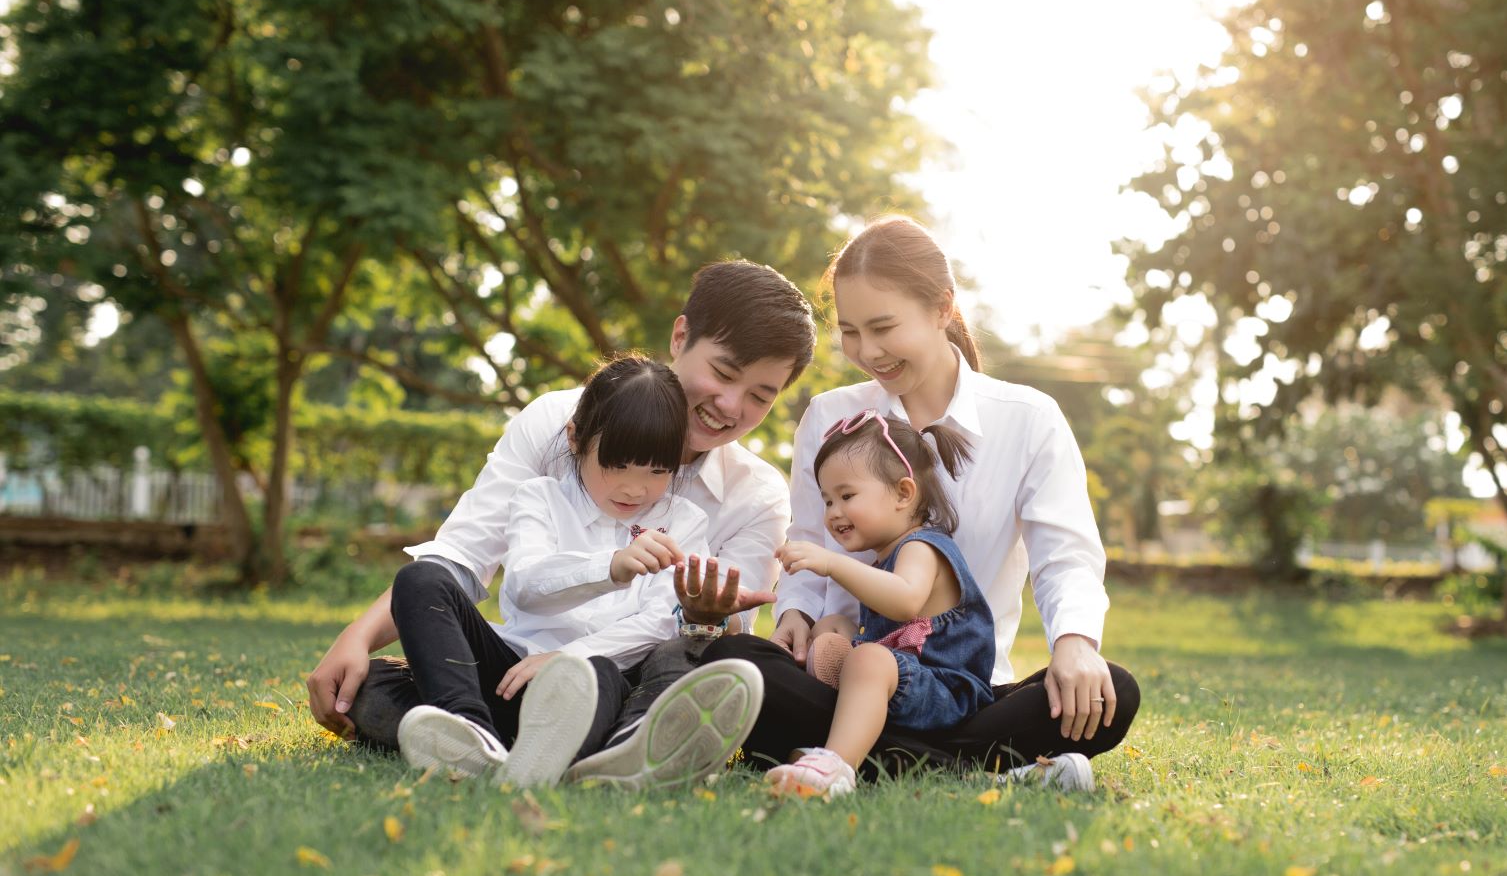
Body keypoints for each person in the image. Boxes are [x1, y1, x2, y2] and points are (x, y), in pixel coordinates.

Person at [306, 261, 816, 790]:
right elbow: (464, 553)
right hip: (516, 668)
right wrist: (358, 636)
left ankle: (612, 744)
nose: (730, 406)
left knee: (673, 654)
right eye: (725, 373)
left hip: (626, 678)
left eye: (761, 395)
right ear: (681, 335)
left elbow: (712, 632)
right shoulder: (559, 423)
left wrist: (582, 655)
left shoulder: (754, 494)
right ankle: (499, 740)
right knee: (373, 687)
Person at [700, 216, 1141, 787]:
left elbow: (1066, 558)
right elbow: (808, 539)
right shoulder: (831, 416)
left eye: (884, 326)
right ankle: (974, 773)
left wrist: (1075, 646)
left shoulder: (1028, 420)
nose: (868, 351)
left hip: (963, 695)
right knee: (731, 664)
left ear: (942, 309)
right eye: (852, 331)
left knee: (1111, 690)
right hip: (842, 678)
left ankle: (840, 757)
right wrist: (796, 617)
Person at [393, 356, 730, 785]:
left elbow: (661, 623)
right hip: (510, 670)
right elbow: (525, 585)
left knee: (596, 676)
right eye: (617, 465)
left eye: (657, 471)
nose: (635, 487)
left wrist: (567, 659)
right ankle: (471, 732)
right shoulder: (539, 498)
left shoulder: (683, 522)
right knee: (419, 581)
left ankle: (557, 752)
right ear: (575, 438)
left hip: (597, 682)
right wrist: (610, 569)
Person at [764, 410, 993, 798]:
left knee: (869, 658)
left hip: (948, 693)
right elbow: (896, 634)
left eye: (847, 496)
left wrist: (833, 563)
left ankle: (836, 765)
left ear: (904, 493)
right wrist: (837, 631)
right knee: (836, 625)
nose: (833, 512)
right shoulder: (886, 557)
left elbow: (905, 602)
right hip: (909, 685)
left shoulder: (922, 547)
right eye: (827, 500)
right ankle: (851, 703)